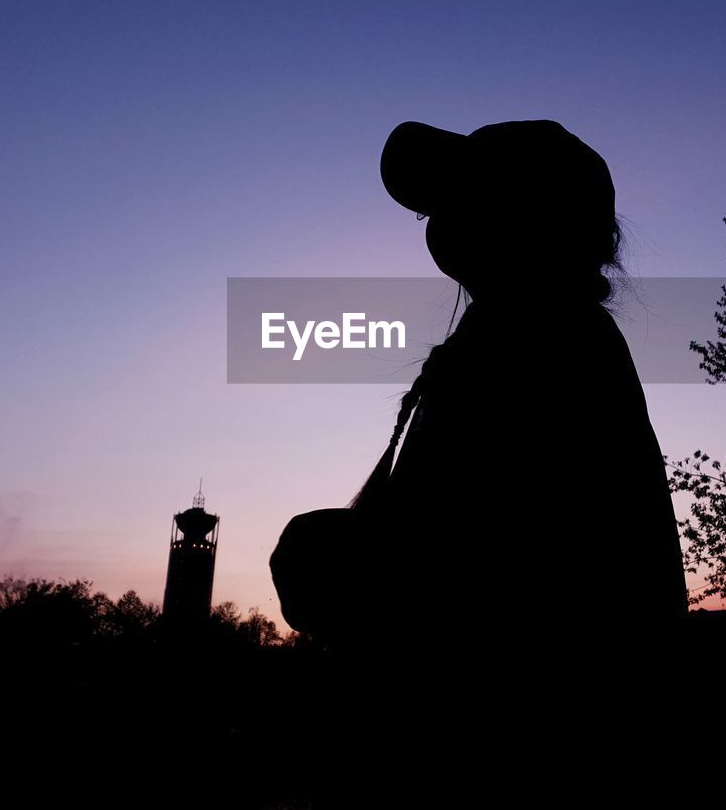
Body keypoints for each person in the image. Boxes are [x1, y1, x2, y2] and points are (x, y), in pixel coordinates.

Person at [271, 119, 688, 805]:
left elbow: (492, 578)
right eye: (437, 210)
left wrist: (335, 559)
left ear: (530, 219)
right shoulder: (515, 336)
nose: (439, 226)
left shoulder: (543, 343)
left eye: (463, 202)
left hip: (510, 764)